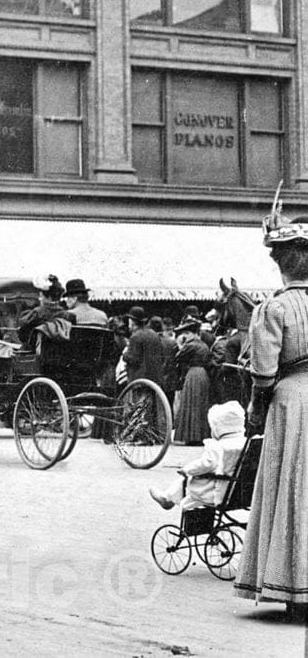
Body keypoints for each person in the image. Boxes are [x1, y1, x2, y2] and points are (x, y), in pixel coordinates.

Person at [234, 205, 308, 619]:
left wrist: (255, 409)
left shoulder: (273, 309)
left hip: (292, 400)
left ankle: (291, 581)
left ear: (281, 264)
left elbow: (263, 373)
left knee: (293, 485)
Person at [148, 401, 246, 510]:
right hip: (240, 493)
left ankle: (167, 498)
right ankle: (169, 497)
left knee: (186, 479)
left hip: (218, 492)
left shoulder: (217, 446)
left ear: (218, 428)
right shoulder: (246, 444)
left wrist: (187, 469)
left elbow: (206, 464)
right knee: (195, 479)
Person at [172, 316, 214, 444]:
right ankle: (200, 436)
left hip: (193, 374)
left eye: (186, 333)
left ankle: (191, 436)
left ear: (191, 333)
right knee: (201, 405)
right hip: (203, 375)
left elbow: (177, 358)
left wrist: (180, 345)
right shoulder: (204, 345)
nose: (185, 336)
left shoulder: (190, 345)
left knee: (191, 403)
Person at [17, 275, 72, 350]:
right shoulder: (67, 315)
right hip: (61, 353)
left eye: (41, 296)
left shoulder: (37, 313)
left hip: (38, 353)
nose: (40, 299)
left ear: (46, 297)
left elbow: (22, 336)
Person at [122, 306, 164, 385]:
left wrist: (125, 355)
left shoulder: (135, 337)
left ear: (132, 321)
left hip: (139, 380)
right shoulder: (154, 335)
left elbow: (133, 359)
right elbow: (162, 356)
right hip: (155, 381)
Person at [151, 315, 179, 407]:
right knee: (169, 407)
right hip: (171, 381)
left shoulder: (151, 342)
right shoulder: (172, 342)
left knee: (155, 408)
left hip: (156, 381)